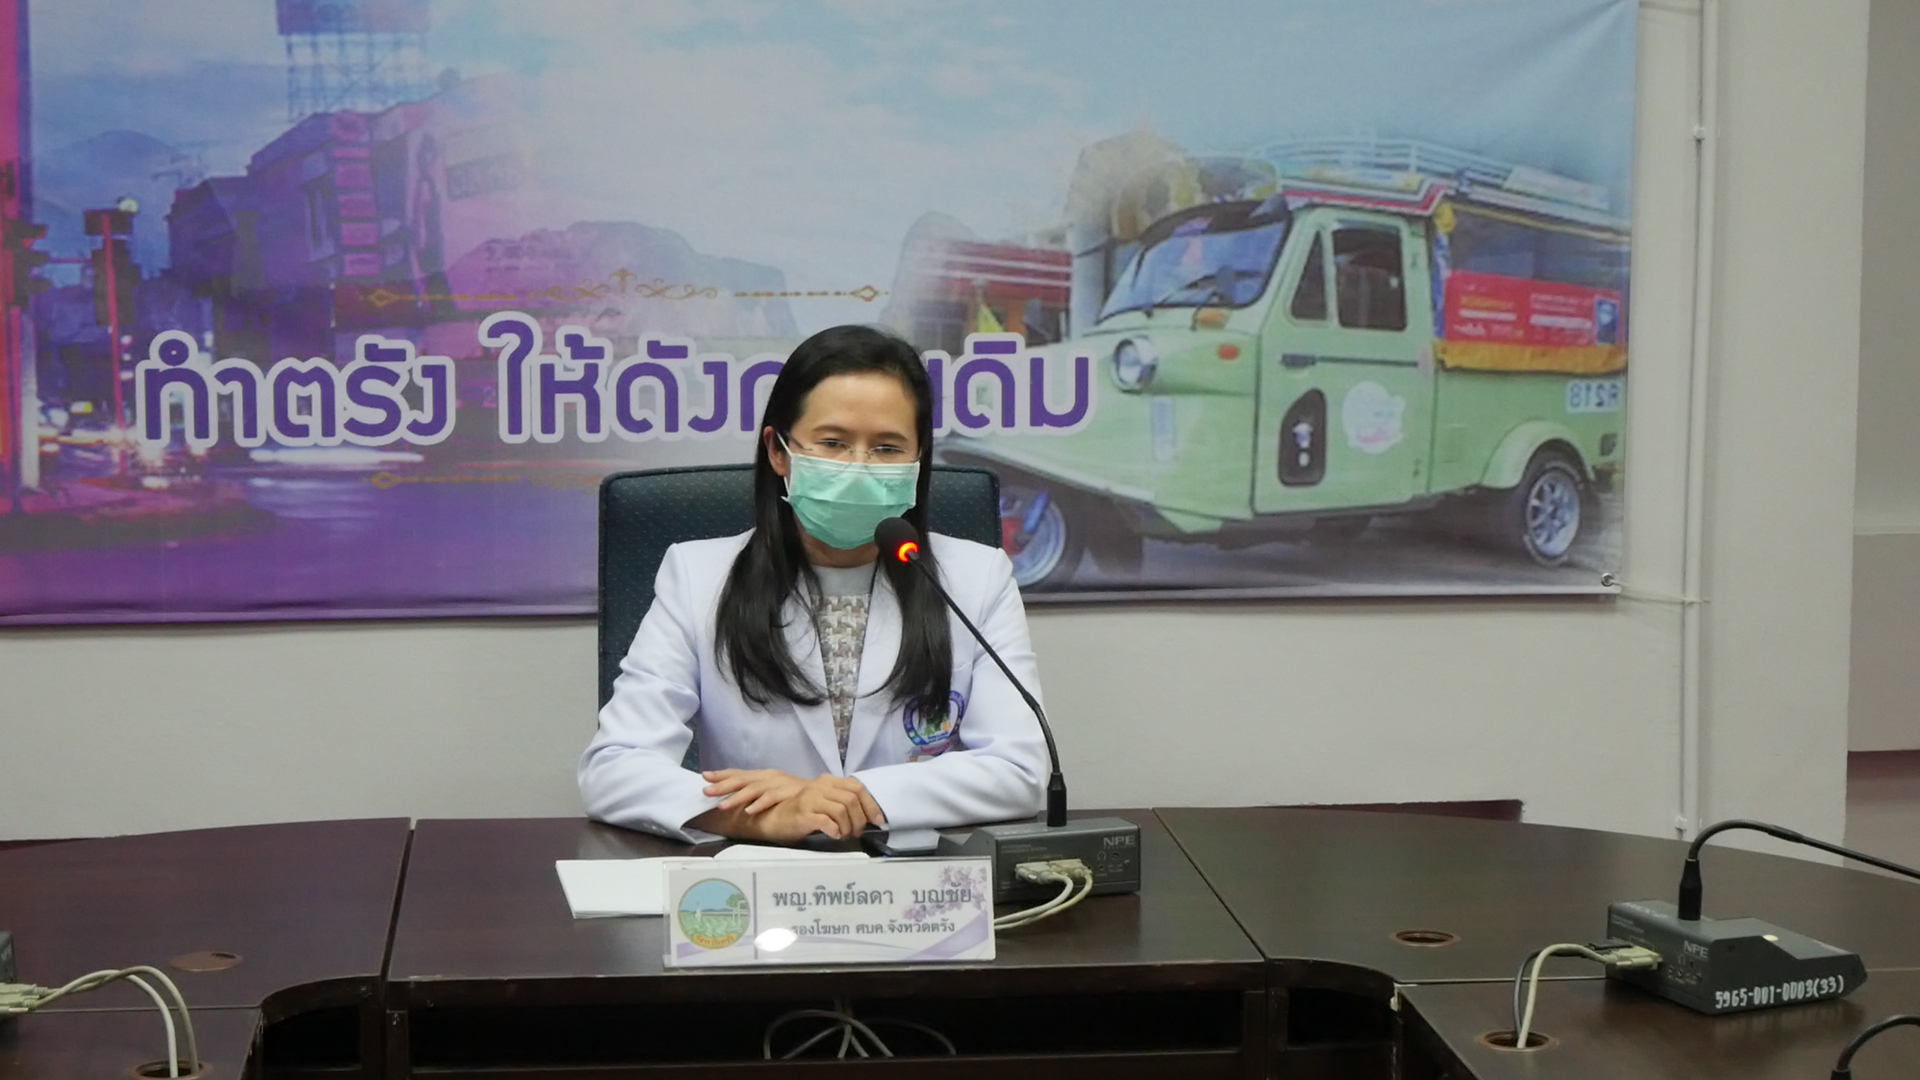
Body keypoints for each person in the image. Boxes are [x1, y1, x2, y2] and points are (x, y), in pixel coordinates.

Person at [580, 324, 1049, 843]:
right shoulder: (697, 576)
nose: (858, 467)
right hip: (759, 873)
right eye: (833, 443)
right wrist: (757, 817)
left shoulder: (978, 578)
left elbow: (1020, 770)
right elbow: (615, 769)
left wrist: (851, 799)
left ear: (918, 461)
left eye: (887, 448)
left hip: (921, 875)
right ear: (779, 451)